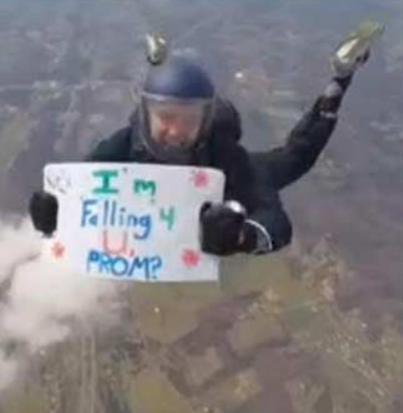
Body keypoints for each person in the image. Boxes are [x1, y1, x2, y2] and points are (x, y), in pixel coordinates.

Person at [29, 25, 378, 257]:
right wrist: (55, 212)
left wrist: (241, 237)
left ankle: (338, 83)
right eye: (166, 118)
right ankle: (160, 62)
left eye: (189, 121)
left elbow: (276, 223)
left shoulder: (225, 154)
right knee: (292, 158)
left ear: (206, 122)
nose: (176, 132)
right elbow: (83, 185)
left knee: (296, 157)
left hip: (228, 175)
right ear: (147, 115)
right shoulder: (125, 142)